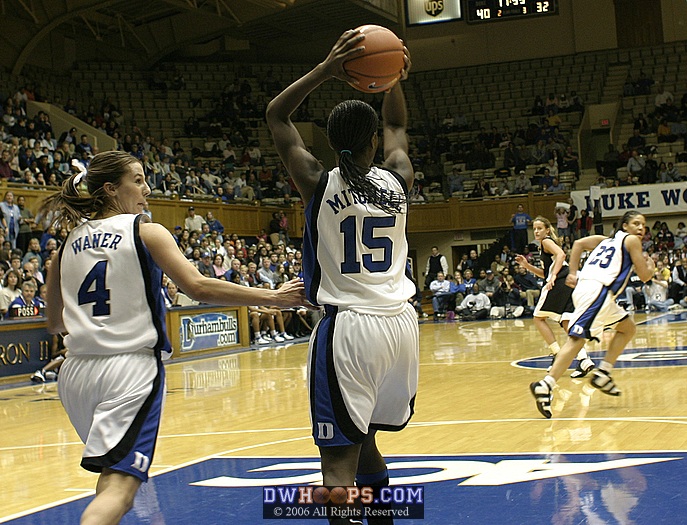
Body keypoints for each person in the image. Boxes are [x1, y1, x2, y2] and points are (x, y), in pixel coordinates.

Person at [40, 150, 304, 525]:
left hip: (76, 375)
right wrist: (273, 296)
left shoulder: (65, 247)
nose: (146, 188)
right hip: (129, 371)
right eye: (137, 179)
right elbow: (198, 287)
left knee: (118, 478)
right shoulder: (145, 230)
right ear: (112, 189)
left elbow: (54, 324)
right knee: (120, 488)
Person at [266, 28, 418, 521]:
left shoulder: (315, 180)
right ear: (374, 142)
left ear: (331, 144)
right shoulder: (398, 175)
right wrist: (392, 78)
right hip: (399, 327)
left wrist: (327, 70)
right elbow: (396, 123)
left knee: (336, 468)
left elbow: (276, 115)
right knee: (367, 438)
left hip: (349, 329)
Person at [529, 211, 655, 418]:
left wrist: (573, 273)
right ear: (625, 226)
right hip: (598, 291)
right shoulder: (632, 241)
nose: (641, 228)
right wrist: (651, 265)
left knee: (627, 328)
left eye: (643, 224)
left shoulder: (604, 240)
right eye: (636, 223)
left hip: (590, 290)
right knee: (577, 340)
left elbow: (578, 244)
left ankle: (603, 373)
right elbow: (644, 276)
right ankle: (546, 384)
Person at [515, 216, 595, 379]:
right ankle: (584, 359)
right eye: (534, 228)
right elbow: (545, 273)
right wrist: (527, 266)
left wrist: (552, 277)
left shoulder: (546, 241)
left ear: (546, 229)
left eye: (539, 228)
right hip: (566, 282)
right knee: (566, 322)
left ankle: (558, 355)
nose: (536, 231)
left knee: (538, 318)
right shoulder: (545, 245)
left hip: (559, 281)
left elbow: (561, 255)